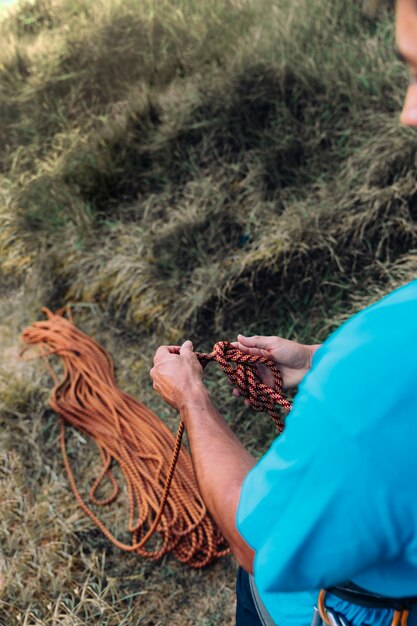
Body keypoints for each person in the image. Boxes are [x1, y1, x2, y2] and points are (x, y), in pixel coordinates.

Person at [150, 1, 417, 624]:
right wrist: (318, 362)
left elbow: (260, 545)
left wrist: (193, 400)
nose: (408, 111)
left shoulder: (384, 364)